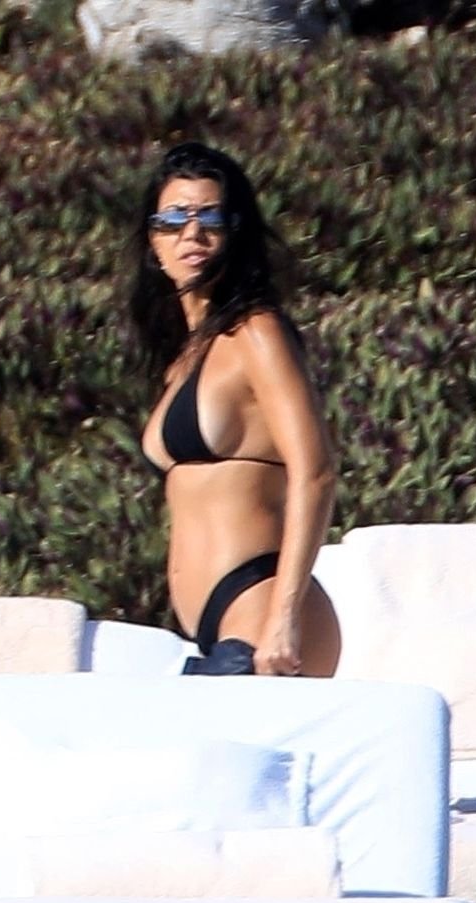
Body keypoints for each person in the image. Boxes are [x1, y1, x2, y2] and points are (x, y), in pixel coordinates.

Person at [130, 141, 340, 677]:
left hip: (263, 613)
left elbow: (316, 471)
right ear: (153, 240)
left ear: (235, 232)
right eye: (173, 219)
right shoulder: (184, 356)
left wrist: (283, 618)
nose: (191, 234)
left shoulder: (255, 332)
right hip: (217, 626)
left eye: (210, 218)